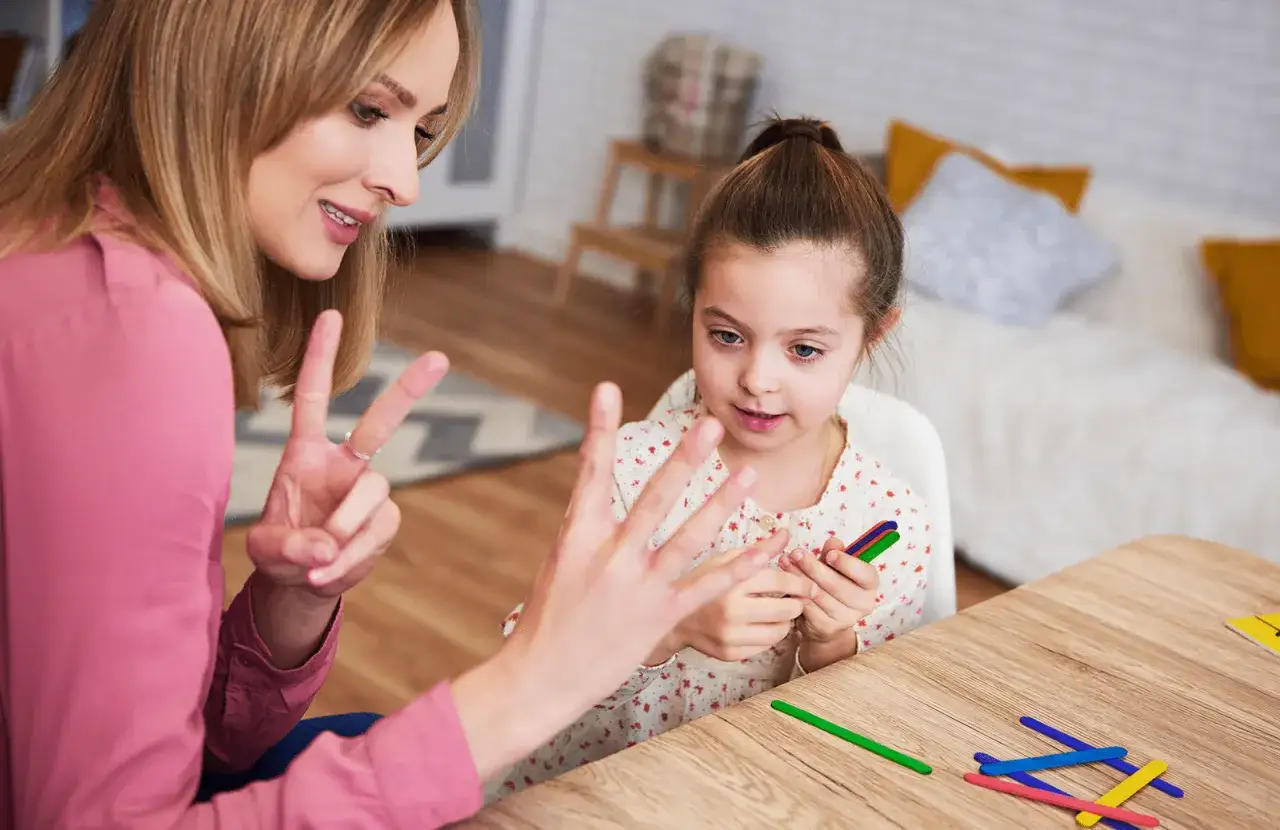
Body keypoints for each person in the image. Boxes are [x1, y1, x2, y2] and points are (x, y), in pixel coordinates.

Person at [0, 1, 788, 826]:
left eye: (418, 132)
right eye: (367, 109)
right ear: (222, 57)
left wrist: (288, 605)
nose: (405, 182)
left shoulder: (57, 241)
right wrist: (528, 687)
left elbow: (179, 749)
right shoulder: (134, 336)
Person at [488, 117, 935, 799]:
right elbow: (526, 666)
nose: (758, 378)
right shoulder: (640, 469)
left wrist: (831, 648)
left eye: (804, 350)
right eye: (726, 335)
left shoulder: (890, 520)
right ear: (693, 307)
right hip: (588, 795)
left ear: (872, 336)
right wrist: (673, 624)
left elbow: (859, 748)